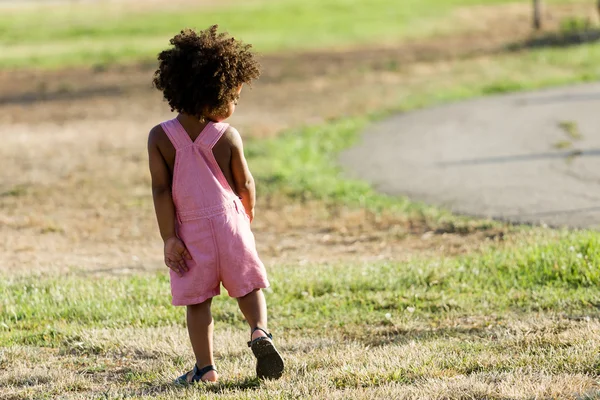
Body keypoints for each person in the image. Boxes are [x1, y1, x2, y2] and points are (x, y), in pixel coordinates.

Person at [147, 25, 284, 384]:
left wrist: (169, 238)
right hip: (231, 224)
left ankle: (205, 369)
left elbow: (161, 190)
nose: (236, 105)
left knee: (198, 303)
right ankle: (259, 332)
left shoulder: (160, 137)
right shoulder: (227, 136)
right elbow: (245, 183)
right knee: (248, 288)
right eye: (234, 97)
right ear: (213, 98)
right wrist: (247, 216)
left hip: (190, 233)